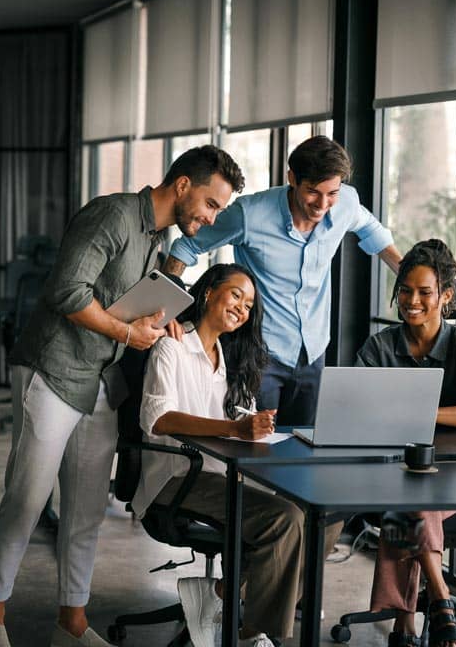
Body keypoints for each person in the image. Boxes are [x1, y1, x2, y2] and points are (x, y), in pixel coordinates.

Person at [0, 146, 245, 647]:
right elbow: (67, 291)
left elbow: (130, 308)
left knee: (85, 511)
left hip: (102, 381)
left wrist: (159, 327)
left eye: (219, 212)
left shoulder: (158, 236)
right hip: (53, 369)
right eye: (211, 205)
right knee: (27, 499)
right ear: (183, 185)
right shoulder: (113, 214)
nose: (211, 219)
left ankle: (71, 625)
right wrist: (127, 335)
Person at [132, 263, 336, 647]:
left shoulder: (230, 360)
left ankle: (226, 594)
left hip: (224, 474)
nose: (243, 308)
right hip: (178, 478)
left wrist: (256, 427)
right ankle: (254, 631)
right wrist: (234, 429)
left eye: (249, 305)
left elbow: (241, 422)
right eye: (236, 295)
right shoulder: (171, 346)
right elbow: (156, 418)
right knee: (285, 520)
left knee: (323, 513)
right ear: (208, 293)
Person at [163, 136, 401, 426]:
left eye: (332, 193)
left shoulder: (346, 202)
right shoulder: (250, 215)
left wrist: (407, 275)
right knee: (255, 450)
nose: (323, 204)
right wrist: (167, 307)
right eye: (313, 192)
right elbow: (186, 247)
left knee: (304, 450)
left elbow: (373, 232)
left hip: (313, 353)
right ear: (292, 178)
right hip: (259, 354)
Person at [355, 239, 456, 647]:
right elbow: (356, 407)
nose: (411, 301)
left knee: (407, 508)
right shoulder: (380, 347)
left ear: (445, 296)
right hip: (395, 475)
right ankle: (440, 602)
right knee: (410, 500)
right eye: (405, 290)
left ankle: (404, 623)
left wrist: (422, 412)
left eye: (424, 292)